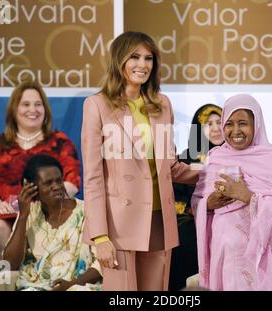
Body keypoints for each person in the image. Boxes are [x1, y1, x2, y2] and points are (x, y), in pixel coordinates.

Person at [81, 31, 199, 291]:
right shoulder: (97, 105)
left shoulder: (161, 104)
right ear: (118, 60)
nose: (143, 65)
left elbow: (170, 166)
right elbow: (92, 177)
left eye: (148, 58)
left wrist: (210, 171)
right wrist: (100, 235)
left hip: (159, 219)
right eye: (134, 57)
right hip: (118, 225)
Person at [191, 94, 272, 291]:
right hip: (226, 259)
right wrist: (209, 203)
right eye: (229, 124)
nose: (235, 131)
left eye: (243, 123)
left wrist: (248, 196)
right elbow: (197, 203)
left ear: (256, 125)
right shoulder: (215, 159)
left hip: (265, 265)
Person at [0, 80, 81, 270]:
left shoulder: (60, 142)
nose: (33, 109)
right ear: (14, 110)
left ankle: (40, 281)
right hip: (6, 215)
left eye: (38, 104)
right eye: (26, 104)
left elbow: (72, 183)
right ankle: (8, 283)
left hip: (48, 214)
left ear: (45, 109)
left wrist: (45, 203)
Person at [2, 155, 101, 291]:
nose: (56, 187)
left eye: (59, 181)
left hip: (79, 285)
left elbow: (101, 262)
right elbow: (9, 263)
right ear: (31, 187)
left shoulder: (86, 212)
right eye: (48, 183)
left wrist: (72, 284)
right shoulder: (29, 213)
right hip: (38, 285)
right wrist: (23, 216)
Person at [169, 104, 224, 290]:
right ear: (198, 129)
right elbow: (174, 200)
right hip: (192, 223)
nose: (216, 128)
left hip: (228, 223)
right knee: (185, 237)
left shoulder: (238, 159)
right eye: (209, 124)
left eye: (220, 122)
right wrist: (200, 208)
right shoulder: (183, 161)